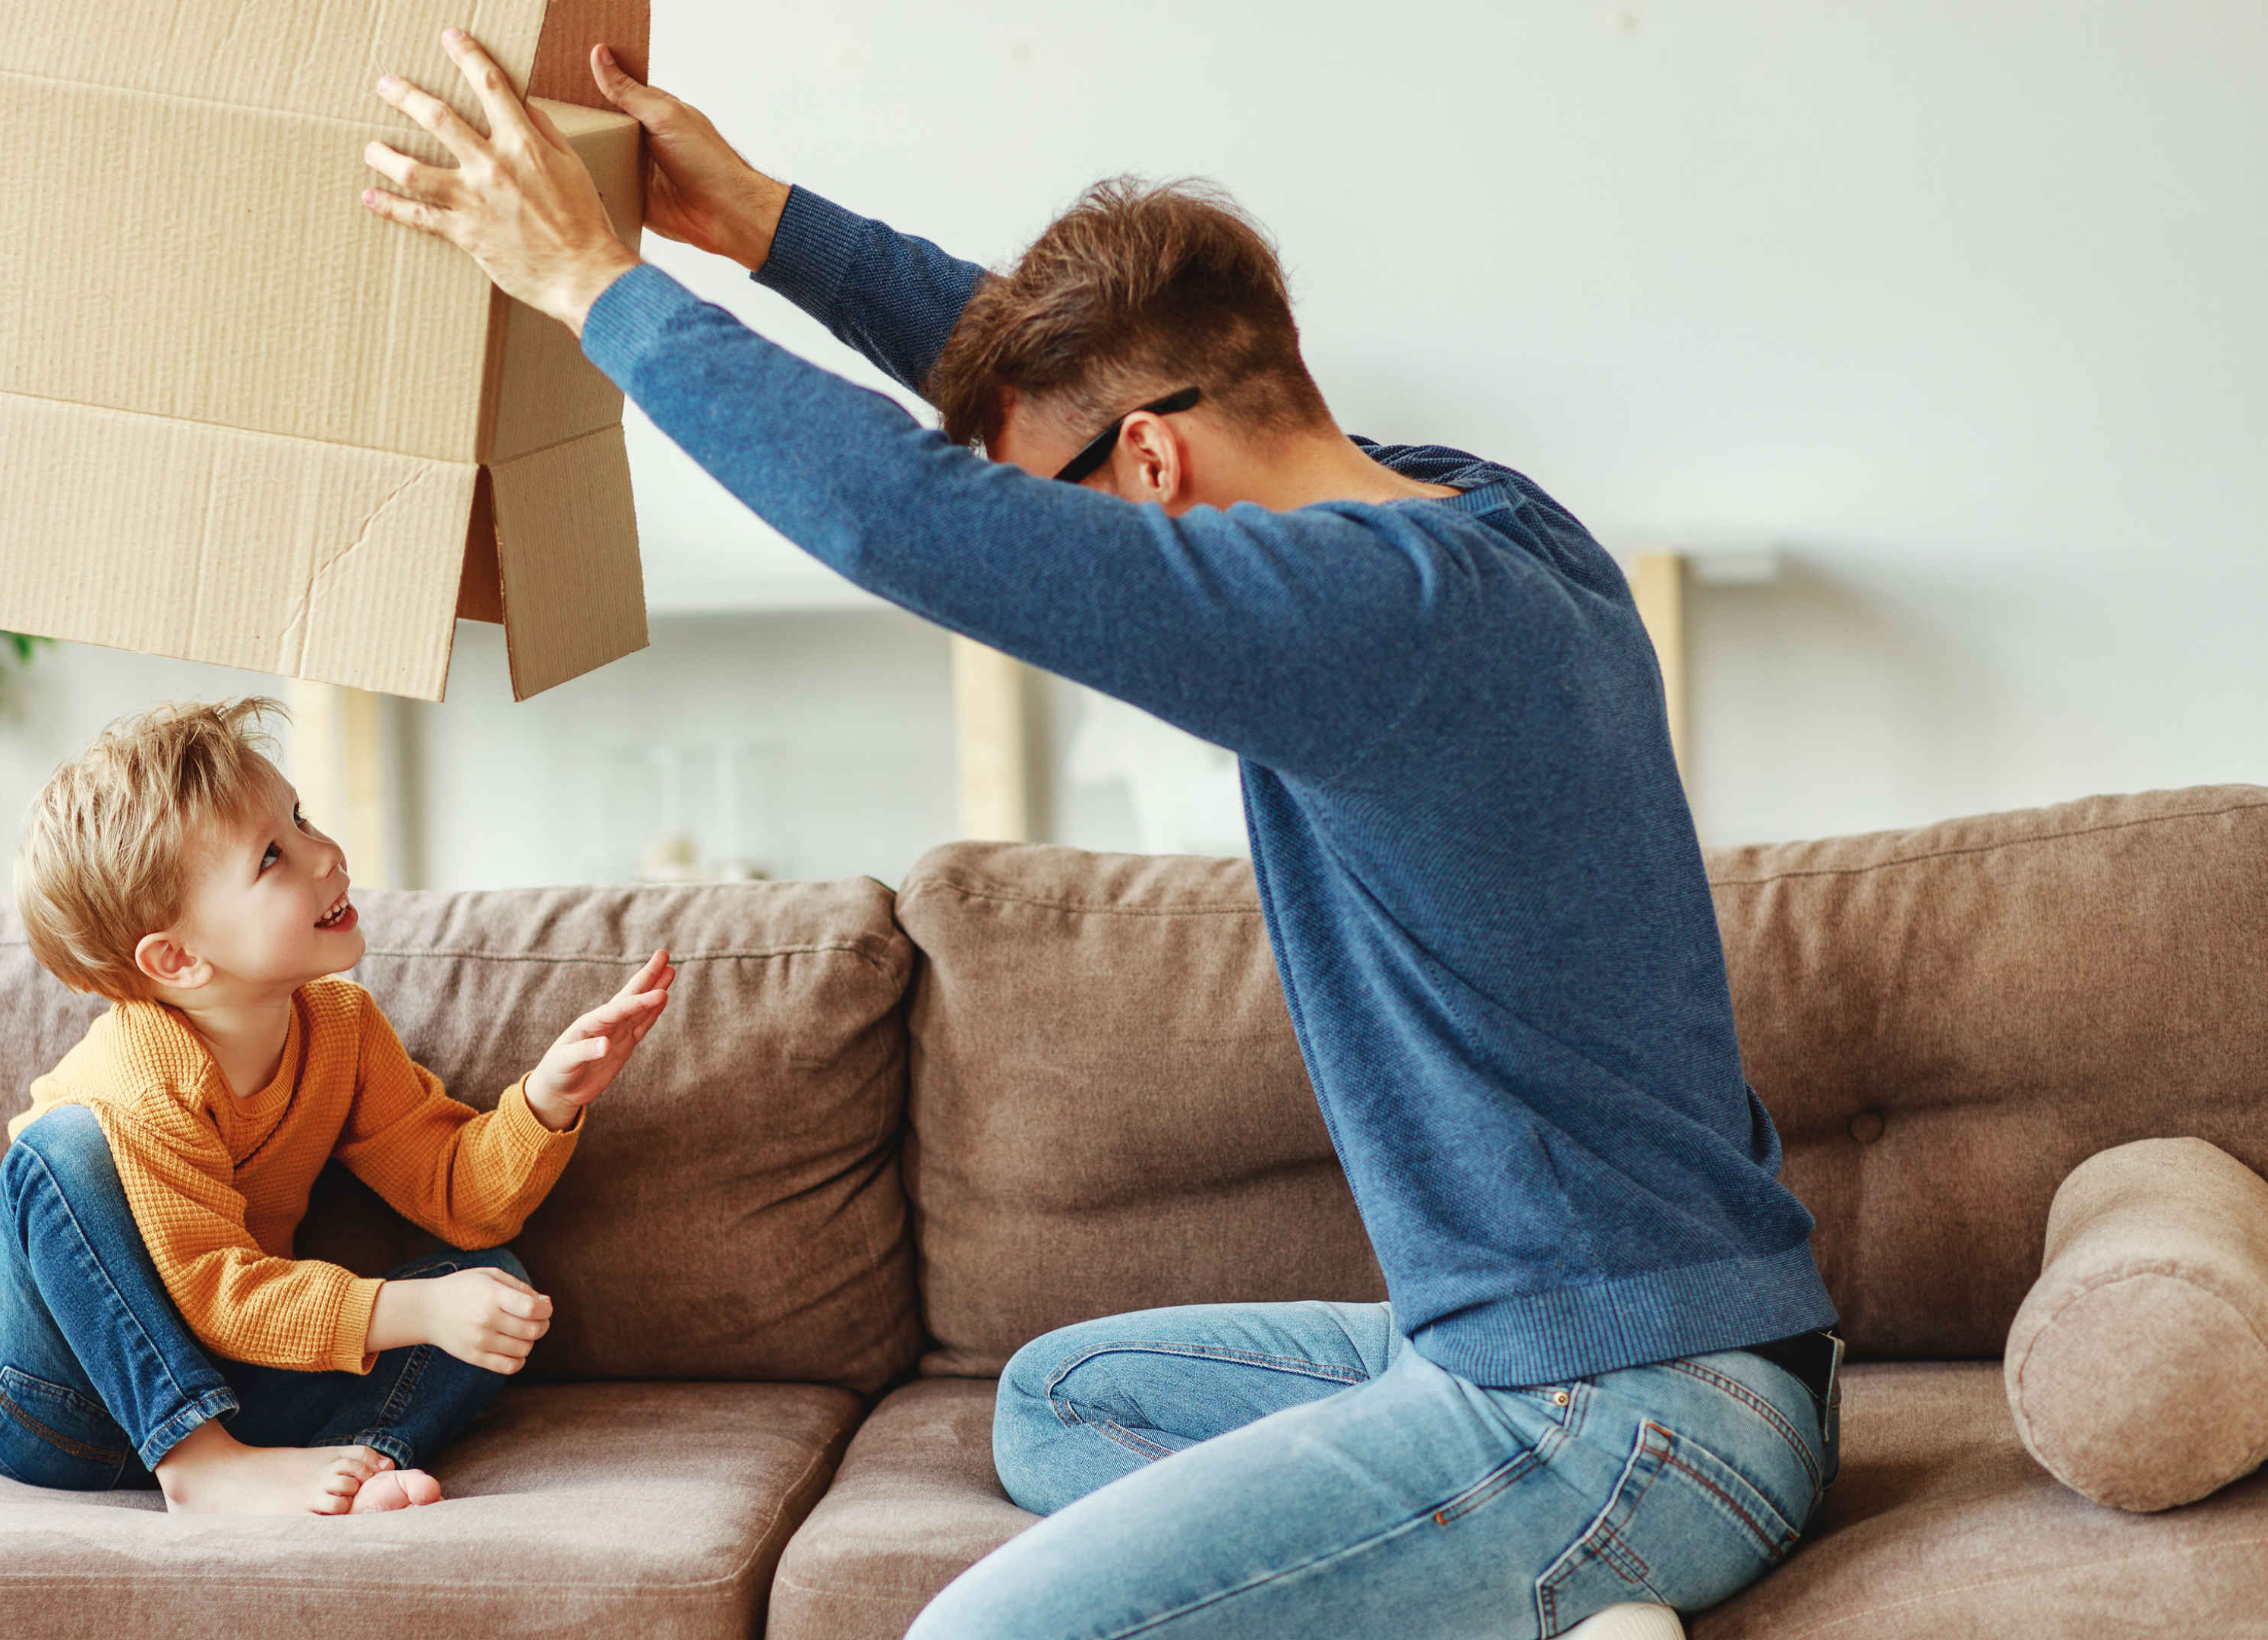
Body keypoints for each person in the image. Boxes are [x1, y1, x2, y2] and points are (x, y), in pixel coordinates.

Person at [357, 30, 1843, 1640]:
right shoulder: (1480, 526)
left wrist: (597, 284)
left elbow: (917, 525)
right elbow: (1072, 390)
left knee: (978, 1637)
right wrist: (772, 227)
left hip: (1621, 1420)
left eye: (1078, 512)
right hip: (1577, 1351)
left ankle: (1553, 1570)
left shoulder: (1370, 628)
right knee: (1060, 1401)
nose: (1066, 555)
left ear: (1149, 461)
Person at [0, 697, 673, 1515]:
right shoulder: (141, 1078)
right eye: (273, 857)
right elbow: (218, 1292)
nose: (325, 855)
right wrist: (409, 1308)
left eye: (302, 818)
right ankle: (202, 1467)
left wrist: (548, 1100)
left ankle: (348, 1468)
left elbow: (460, 1197)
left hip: (230, 1382)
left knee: (491, 1286)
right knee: (58, 1148)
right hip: (54, 1399)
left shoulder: (341, 1028)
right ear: (177, 957)